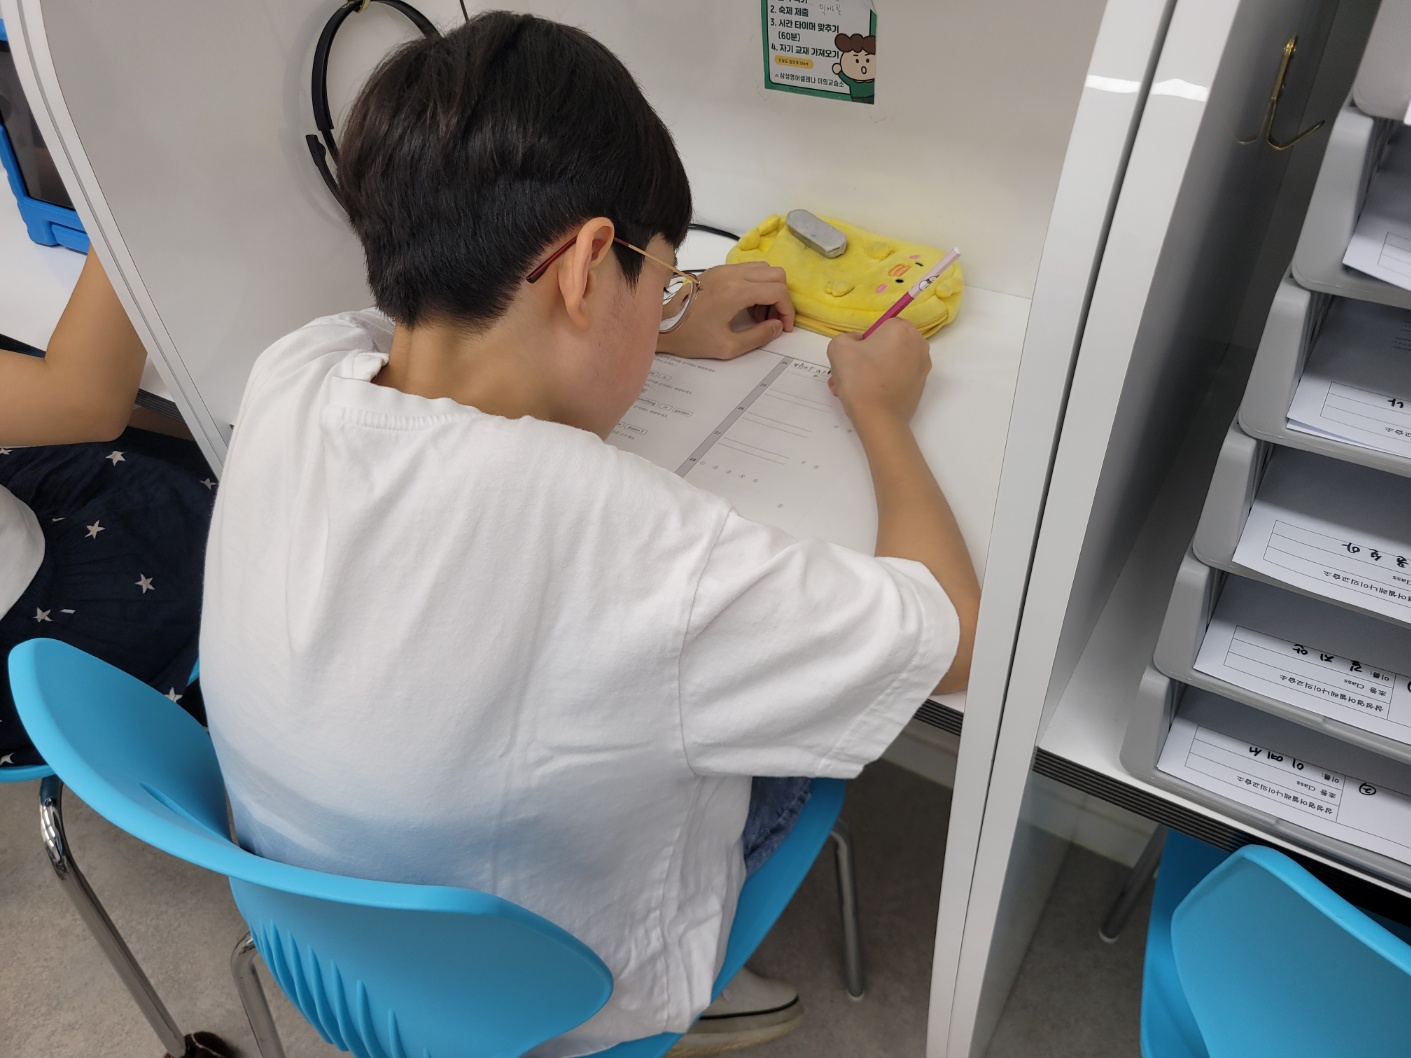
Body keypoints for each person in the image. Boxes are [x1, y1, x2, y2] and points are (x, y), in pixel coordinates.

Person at [200, 11, 979, 1057]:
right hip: (551, 993)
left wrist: (655, 318)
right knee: (802, 730)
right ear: (584, 266)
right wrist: (881, 411)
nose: (666, 306)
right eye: (658, 279)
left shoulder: (290, 371)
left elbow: (446, 328)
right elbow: (953, 635)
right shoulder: (638, 544)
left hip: (321, 940)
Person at [0, 250, 215, 766]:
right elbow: (85, 401)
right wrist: (120, 211)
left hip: (32, 531)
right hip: (47, 650)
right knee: (247, 480)